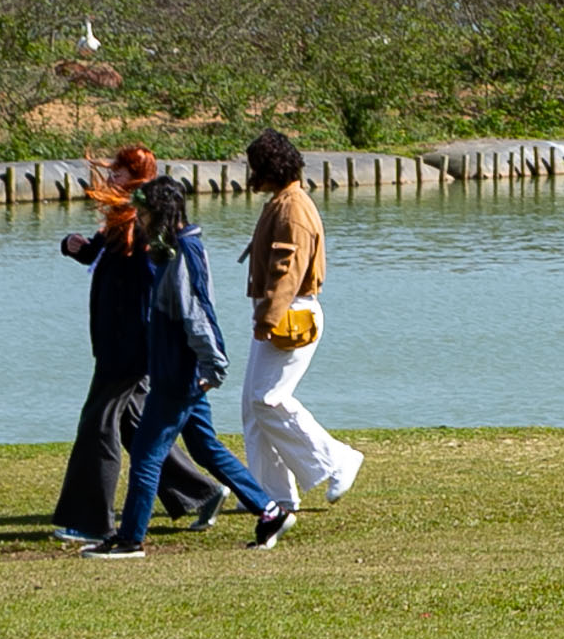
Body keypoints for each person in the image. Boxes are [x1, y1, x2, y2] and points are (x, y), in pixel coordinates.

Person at [82, 176, 288, 558]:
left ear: (162, 215)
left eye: (143, 214)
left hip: (178, 376)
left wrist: (213, 368)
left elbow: (197, 318)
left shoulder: (181, 257)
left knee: (146, 454)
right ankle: (270, 510)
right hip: (177, 373)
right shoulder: (171, 251)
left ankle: (130, 540)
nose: (139, 221)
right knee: (205, 447)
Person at [49, 146, 226, 544]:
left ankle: (91, 520)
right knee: (133, 424)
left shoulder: (143, 222)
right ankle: (200, 493)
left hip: (129, 344)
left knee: (98, 424)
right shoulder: (124, 217)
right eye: (112, 171)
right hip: (114, 340)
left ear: (138, 177)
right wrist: (77, 247)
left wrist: (161, 340)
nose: (111, 178)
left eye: (119, 172)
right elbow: (109, 259)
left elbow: (153, 278)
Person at [238, 129, 364, 517]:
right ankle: (271, 495)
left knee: (269, 399)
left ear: (269, 167)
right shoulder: (283, 201)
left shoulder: (292, 208)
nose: (250, 173)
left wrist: (269, 315)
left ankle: (337, 459)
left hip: (291, 315)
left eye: (255, 166)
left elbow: (286, 271)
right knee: (253, 406)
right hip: (278, 312)